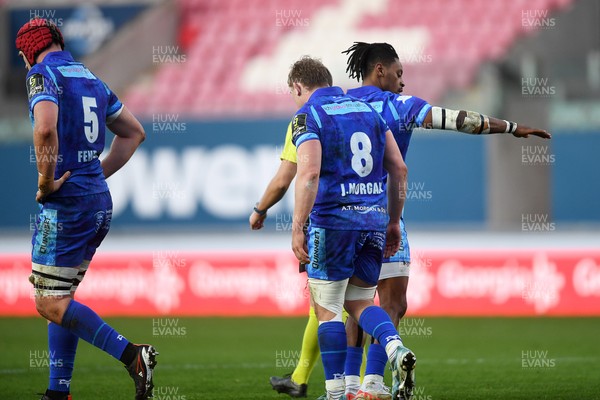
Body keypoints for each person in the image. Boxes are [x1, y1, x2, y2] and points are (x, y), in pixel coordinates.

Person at [341, 41, 551, 400]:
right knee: (391, 303)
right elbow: (459, 120)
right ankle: (372, 384)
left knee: (356, 303)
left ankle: (346, 388)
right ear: (380, 70)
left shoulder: (337, 104)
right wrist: (511, 127)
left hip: (340, 219)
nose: (403, 82)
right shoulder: (401, 105)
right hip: (382, 217)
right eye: (398, 73)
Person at [16, 18, 157, 400]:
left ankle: (132, 355)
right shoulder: (91, 77)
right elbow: (134, 132)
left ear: (30, 51)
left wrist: (46, 182)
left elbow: (45, 129)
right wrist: (93, 174)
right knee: (62, 296)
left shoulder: (42, 75)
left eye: (22, 54)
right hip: (97, 200)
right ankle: (57, 391)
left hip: (68, 204)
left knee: (49, 301)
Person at [287, 56, 415, 400]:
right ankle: (395, 348)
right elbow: (399, 169)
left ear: (299, 87)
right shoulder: (369, 111)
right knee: (359, 302)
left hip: (333, 225)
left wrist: (298, 225)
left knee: (327, 309)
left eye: (293, 93)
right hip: (373, 222)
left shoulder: (308, 115)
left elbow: (309, 173)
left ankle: (334, 392)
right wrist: (392, 220)